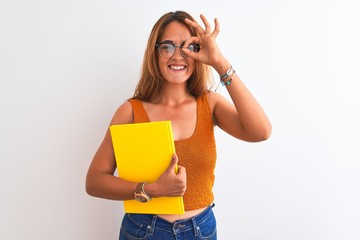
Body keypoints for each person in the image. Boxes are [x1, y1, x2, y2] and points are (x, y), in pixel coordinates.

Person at [86, 10, 271, 240]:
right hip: (144, 231)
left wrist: (220, 63)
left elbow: (261, 131)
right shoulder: (130, 111)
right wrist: (151, 190)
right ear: (155, 53)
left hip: (201, 231)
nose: (177, 56)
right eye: (167, 46)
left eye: (188, 47)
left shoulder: (210, 104)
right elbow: (94, 182)